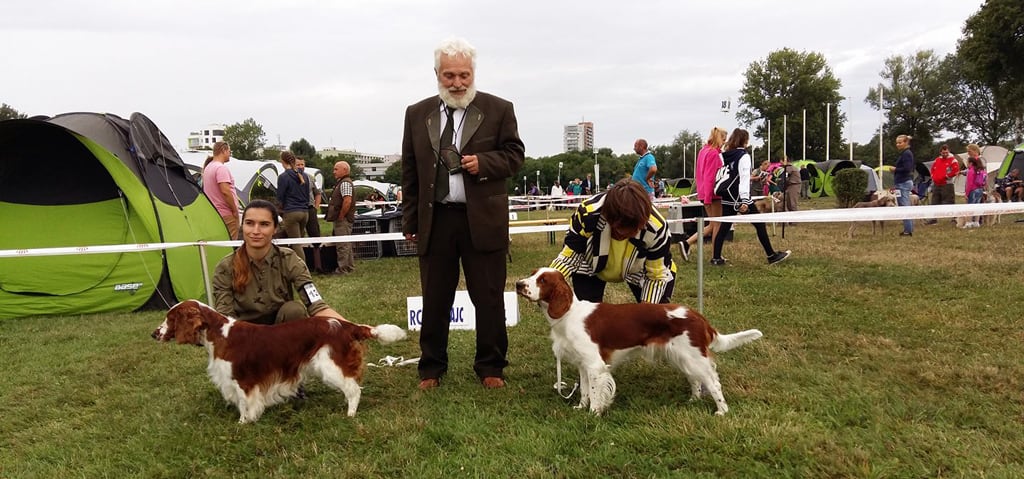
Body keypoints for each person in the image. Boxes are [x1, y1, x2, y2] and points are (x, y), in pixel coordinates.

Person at [400, 37, 525, 390]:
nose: (457, 83)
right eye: (450, 75)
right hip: (436, 219)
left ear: (474, 74)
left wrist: (483, 162)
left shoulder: (499, 109)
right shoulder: (416, 113)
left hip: (482, 221)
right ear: (437, 74)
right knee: (435, 296)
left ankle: (491, 367)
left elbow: (515, 156)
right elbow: (410, 171)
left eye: (464, 75)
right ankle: (431, 368)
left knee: (488, 296)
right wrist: (411, 220)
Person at [212, 199, 344, 325]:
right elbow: (224, 320)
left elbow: (316, 305)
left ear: (275, 228)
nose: (255, 231)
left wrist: (353, 328)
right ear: (243, 226)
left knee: (294, 310)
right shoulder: (226, 266)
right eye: (250, 223)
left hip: (281, 334)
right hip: (242, 336)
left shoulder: (289, 259)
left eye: (264, 224)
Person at [549, 178, 676, 304]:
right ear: (607, 215)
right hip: (589, 262)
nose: (620, 235)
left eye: (628, 231)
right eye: (616, 228)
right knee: (586, 317)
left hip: (640, 268)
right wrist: (547, 282)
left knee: (656, 317)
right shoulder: (588, 213)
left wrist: (646, 311)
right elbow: (568, 258)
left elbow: (656, 276)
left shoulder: (657, 228)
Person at [710, 128, 791, 266]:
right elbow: (744, 178)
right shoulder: (744, 156)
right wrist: (745, 200)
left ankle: (716, 258)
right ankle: (771, 255)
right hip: (739, 197)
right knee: (759, 224)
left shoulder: (725, 155)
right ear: (745, 141)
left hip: (727, 195)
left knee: (724, 226)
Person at [683, 126, 727, 261]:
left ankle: (686, 243)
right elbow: (710, 176)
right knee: (717, 225)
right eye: (724, 140)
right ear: (720, 138)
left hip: (703, 192)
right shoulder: (714, 153)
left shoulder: (703, 151)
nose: (725, 143)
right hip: (713, 194)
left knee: (712, 225)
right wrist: (708, 197)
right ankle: (716, 255)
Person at [202, 141, 240, 239]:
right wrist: (235, 211)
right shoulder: (221, 168)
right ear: (223, 150)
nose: (230, 155)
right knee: (230, 244)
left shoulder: (208, 168)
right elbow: (225, 191)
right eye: (229, 152)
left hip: (214, 213)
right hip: (226, 214)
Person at [276, 151, 310, 258]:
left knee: (296, 244)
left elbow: (280, 197)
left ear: (282, 161)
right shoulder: (304, 175)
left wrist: (279, 209)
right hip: (305, 212)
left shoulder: (283, 177)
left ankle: (302, 269)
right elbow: (307, 195)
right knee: (298, 241)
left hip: (291, 212)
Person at [325, 161, 355, 275]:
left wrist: (341, 216)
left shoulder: (345, 183)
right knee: (346, 244)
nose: (334, 172)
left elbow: (347, 201)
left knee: (342, 245)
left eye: (336, 169)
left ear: (345, 170)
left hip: (343, 219)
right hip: (344, 219)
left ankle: (342, 269)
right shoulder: (342, 182)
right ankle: (349, 267)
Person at [295, 157, 323, 271]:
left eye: (302, 164)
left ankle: (319, 265)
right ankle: (300, 267)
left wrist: (316, 207)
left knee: (315, 236)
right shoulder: (290, 178)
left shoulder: (311, 178)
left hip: (310, 209)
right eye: (298, 165)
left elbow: (318, 193)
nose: (301, 166)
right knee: (297, 238)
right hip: (297, 209)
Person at [925, 144, 960, 225]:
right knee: (934, 201)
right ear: (940, 152)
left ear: (949, 151)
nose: (945, 154)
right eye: (943, 152)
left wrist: (947, 176)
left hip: (947, 184)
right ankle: (933, 218)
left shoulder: (953, 160)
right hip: (936, 183)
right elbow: (933, 169)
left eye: (946, 152)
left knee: (949, 201)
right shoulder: (937, 160)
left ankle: (954, 218)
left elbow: (956, 170)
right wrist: (933, 176)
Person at [893, 134, 915, 236]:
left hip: (903, 183)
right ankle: (908, 228)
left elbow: (907, 168)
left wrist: (895, 169)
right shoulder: (905, 153)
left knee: (905, 207)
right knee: (904, 206)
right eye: (897, 142)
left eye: (900, 142)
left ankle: (908, 231)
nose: (898, 144)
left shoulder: (906, 154)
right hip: (901, 183)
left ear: (906, 142)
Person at [963, 144, 986, 228]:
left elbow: (969, 182)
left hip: (972, 189)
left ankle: (968, 222)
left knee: (970, 206)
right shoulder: (980, 166)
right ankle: (976, 222)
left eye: (969, 151)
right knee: (977, 206)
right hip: (979, 188)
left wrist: (966, 193)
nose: (968, 153)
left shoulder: (972, 169)